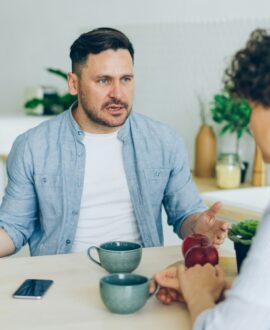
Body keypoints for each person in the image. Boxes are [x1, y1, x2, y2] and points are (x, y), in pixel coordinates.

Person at [0, 27, 228, 257]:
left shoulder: (164, 141)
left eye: (126, 79)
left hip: (140, 279)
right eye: (103, 81)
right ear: (74, 84)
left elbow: (185, 215)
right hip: (59, 278)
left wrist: (199, 228)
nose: (118, 93)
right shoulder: (33, 147)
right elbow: (13, 228)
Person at [153, 28, 270, 329]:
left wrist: (199, 294)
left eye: (252, 107)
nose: (249, 121)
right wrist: (225, 297)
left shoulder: (163, 140)